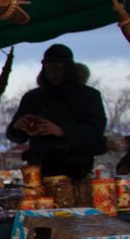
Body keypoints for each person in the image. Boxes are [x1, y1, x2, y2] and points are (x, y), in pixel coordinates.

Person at [6, 44, 108, 178]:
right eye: (49, 69)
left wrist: (62, 131)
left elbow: (95, 130)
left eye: (58, 69)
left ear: (68, 69)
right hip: (40, 167)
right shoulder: (33, 98)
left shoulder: (88, 96)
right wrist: (18, 126)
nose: (53, 74)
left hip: (76, 168)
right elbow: (15, 136)